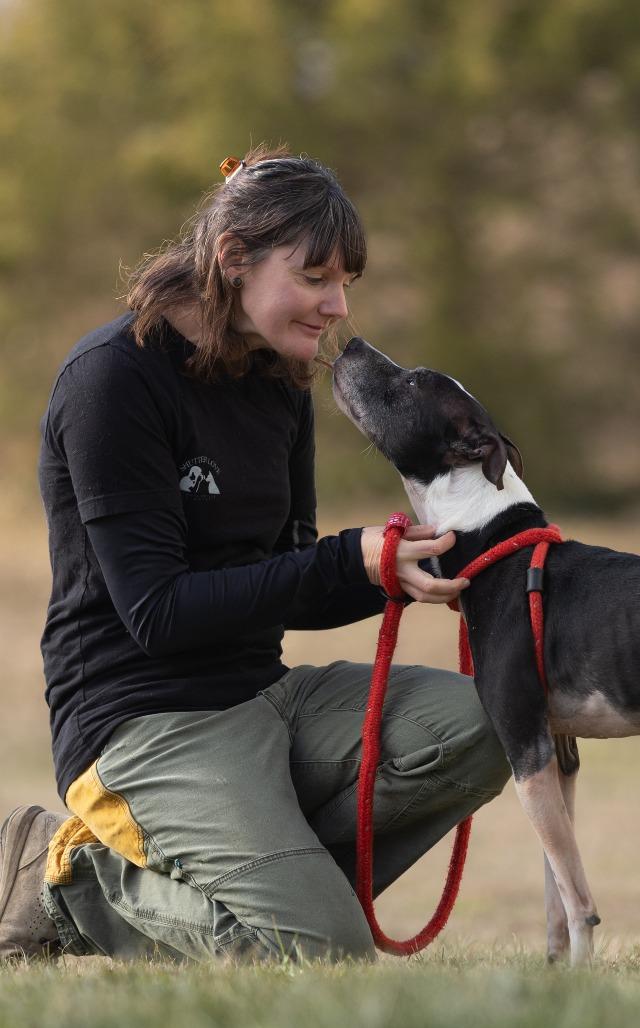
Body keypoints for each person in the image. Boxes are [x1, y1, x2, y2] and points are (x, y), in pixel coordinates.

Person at [0, 145, 511, 962]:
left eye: (344, 283)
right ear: (234, 259)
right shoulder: (111, 383)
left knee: (496, 721)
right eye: (316, 278)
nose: (338, 305)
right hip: (140, 723)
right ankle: (69, 883)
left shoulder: (279, 381)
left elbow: (293, 582)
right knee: (321, 956)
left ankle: (276, 884)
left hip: (263, 698)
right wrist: (350, 562)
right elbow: (159, 615)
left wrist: (397, 570)